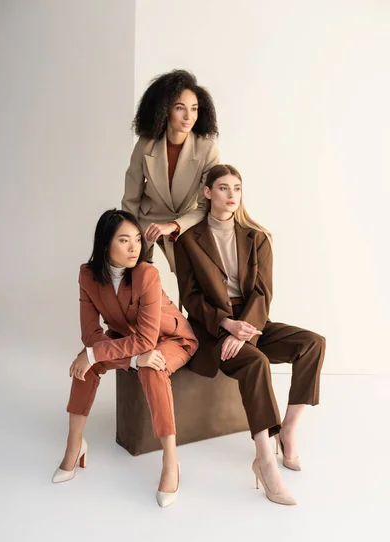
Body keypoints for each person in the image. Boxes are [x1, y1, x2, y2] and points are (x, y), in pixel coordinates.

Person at [174, 165, 326, 506]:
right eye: (224, 188)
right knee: (256, 362)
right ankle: (264, 459)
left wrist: (244, 330)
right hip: (211, 330)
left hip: (251, 321)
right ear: (207, 192)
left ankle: (287, 430)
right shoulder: (188, 241)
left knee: (313, 343)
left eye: (237, 189)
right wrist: (227, 326)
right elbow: (191, 298)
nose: (231, 196)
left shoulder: (257, 237)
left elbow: (262, 293)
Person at [52, 209, 198, 508]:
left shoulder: (147, 273)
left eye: (136, 240)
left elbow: (146, 340)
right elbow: (91, 335)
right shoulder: (88, 275)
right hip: (129, 342)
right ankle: (74, 444)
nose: (135, 248)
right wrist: (127, 360)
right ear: (106, 245)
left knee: (151, 369)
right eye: (124, 240)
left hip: (172, 339)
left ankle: (171, 460)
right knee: (87, 363)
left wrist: (109, 354)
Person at [122, 69, 219, 272]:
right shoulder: (145, 145)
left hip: (184, 222)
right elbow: (131, 198)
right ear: (165, 110)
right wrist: (129, 235)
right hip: (146, 220)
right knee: (135, 279)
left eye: (194, 109)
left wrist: (174, 226)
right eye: (180, 108)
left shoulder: (207, 149)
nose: (188, 116)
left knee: (195, 283)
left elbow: (204, 206)